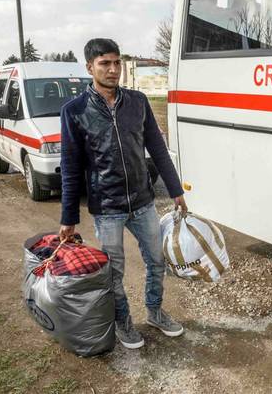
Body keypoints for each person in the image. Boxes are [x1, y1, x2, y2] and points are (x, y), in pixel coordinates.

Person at [59, 38, 188, 349]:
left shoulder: (138, 102)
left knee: (157, 262)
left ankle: (155, 312)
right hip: (108, 208)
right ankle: (124, 324)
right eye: (105, 63)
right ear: (90, 67)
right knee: (113, 273)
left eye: (117, 63)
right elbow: (71, 167)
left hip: (143, 202)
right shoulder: (74, 112)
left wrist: (175, 190)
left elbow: (157, 149)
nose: (113, 69)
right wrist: (68, 218)